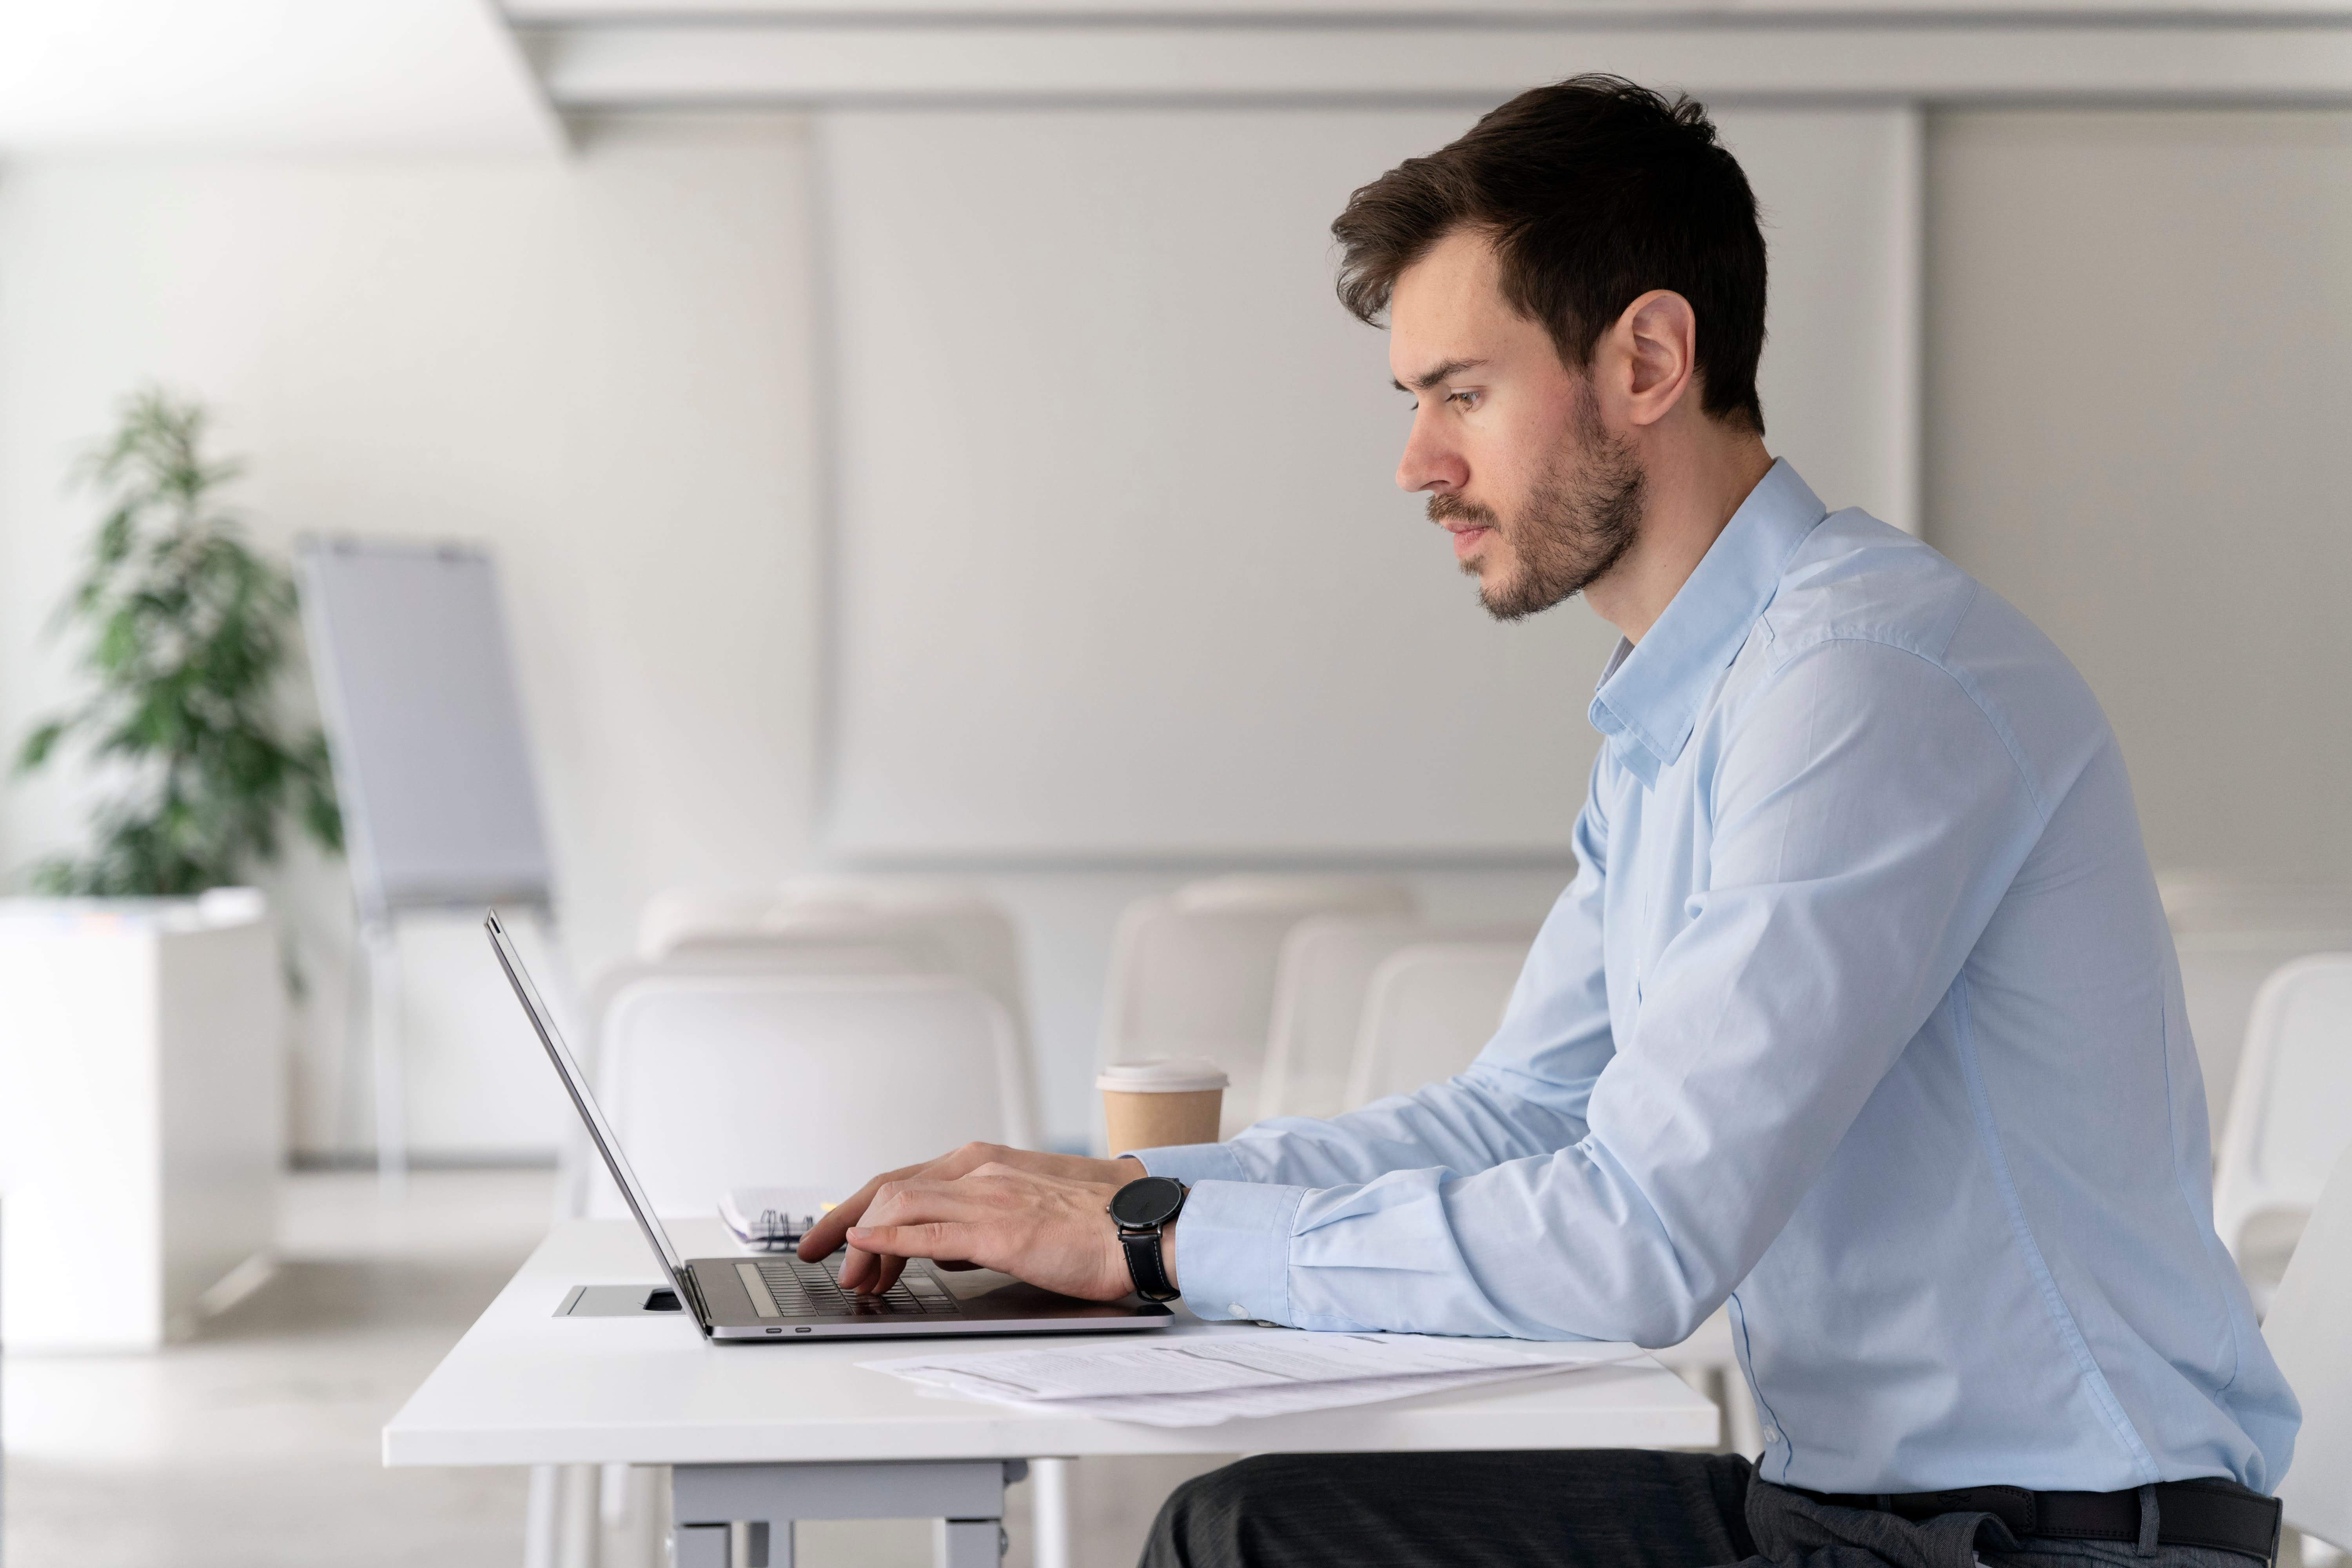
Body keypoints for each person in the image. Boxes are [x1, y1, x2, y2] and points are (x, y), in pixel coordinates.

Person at [796, 75, 2298, 1568]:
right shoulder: (1682, 708)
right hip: (1844, 1518)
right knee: (1249, 1529)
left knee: (1245, 1546)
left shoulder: (1870, 682)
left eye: (1462, 393)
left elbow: (1638, 1238)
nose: (1417, 464)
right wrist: (1117, 1193)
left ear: (1647, 357)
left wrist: (1148, 1244)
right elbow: (1527, 1114)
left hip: (2062, 1542)